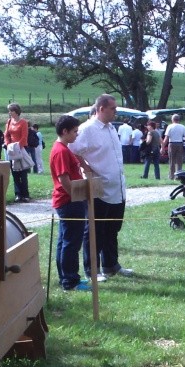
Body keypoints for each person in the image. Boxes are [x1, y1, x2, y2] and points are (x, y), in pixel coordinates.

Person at [69, 93, 133, 280]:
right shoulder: (87, 129)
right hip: (99, 188)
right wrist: (87, 168)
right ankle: (92, 270)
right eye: (113, 108)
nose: (116, 112)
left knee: (112, 228)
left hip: (117, 187)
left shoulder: (112, 128)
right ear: (101, 108)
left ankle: (111, 265)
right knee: (95, 230)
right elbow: (72, 151)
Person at [50, 115, 90, 292]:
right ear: (64, 131)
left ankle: (65, 277)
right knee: (71, 243)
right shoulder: (61, 151)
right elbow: (63, 179)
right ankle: (70, 281)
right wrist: (77, 196)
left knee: (65, 241)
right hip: (69, 202)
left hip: (70, 201)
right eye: (74, 132)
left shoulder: (64, 149)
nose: (76, 135)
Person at [3, 102, 31, 201]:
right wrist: (8, 144)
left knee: (23, 173)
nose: (9, 112)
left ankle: (25, 194)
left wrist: (17, 146)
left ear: (16, 111)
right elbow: (6, 135)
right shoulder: (9, 121)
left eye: (11, 110)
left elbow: (24, 137)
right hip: (11, 149)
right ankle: (18, 194)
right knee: (14, 172)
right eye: (9, 111)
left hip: (21, 148)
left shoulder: (23, 122)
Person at [163, 113, 185, 179]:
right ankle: (179, 175)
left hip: (172, 144)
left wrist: (162, 146)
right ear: (178, 120)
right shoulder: (182, 127)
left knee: (172, 160)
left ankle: (171, 176)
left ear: (172, 119)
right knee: (179, 161)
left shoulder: (170, 126)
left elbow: (166, 138)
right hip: (180, 144)